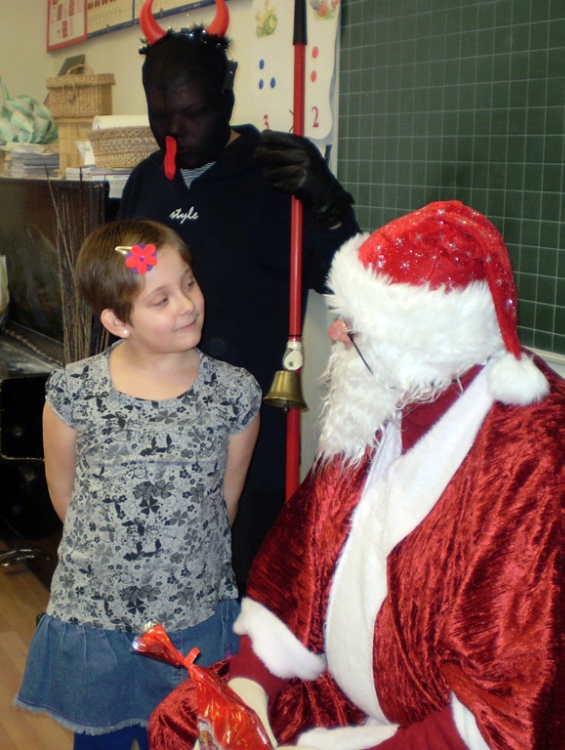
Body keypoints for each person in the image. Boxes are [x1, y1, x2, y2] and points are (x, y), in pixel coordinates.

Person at [148, 201, 565, 749]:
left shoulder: (552, 469)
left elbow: (523, 714)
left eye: (360, 326)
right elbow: (296, 571)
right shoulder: (382, 399)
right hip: (353, 699)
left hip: (468, 734)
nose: (338, 333)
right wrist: (247, 698)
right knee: (185, 723)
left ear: (428, 340)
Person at [119, 0, 362, 591]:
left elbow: (347, 285)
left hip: (251, 435)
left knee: (249, 582)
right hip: (159, 425)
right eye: (160, 115)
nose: (175, 131)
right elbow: (129, 281)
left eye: (193, 113)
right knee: (163, 578)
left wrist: (331, 207)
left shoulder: (275, 175)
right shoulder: (146, 182)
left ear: (226, 95)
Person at [15, 220, 262, 750]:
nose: (188, 305)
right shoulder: (74, 390)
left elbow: (225, 502)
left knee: (179, 737)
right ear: (117, 321)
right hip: (97, 614)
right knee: (99, 739)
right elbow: (65, 496)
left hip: (191, 612)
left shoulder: (234, 392)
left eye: (189, 283)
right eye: (161, 299)